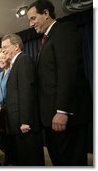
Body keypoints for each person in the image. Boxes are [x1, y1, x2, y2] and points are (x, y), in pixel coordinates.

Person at [27, 0, 92, 166]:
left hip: (65, 117)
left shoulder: (63, 30)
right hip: (52, 119)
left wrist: (62, 111)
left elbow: (68, 72)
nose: (31, 23)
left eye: (33, 18)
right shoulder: (47, 39)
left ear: (46, 13)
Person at [1, 34, 44, 166]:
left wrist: (25, 121)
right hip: (17, 125)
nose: (2, 51)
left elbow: (27, 92)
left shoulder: (23, 60)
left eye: (5, 47)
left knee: (30, 161)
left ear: (16, 46)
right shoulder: (15, 63)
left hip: (25, 125)